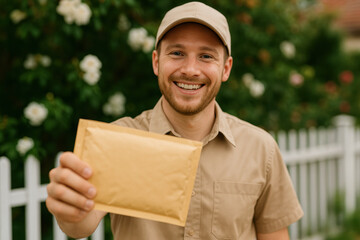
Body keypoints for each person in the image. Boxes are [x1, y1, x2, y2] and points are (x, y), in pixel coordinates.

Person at [46, 2, 303, 239]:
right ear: (157, 62)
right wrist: (70, 210)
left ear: (226, 68)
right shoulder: (118, 141)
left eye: (206, 56)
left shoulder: (261, 148)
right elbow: (80, 225)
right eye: (177, 53)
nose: (190, 69)